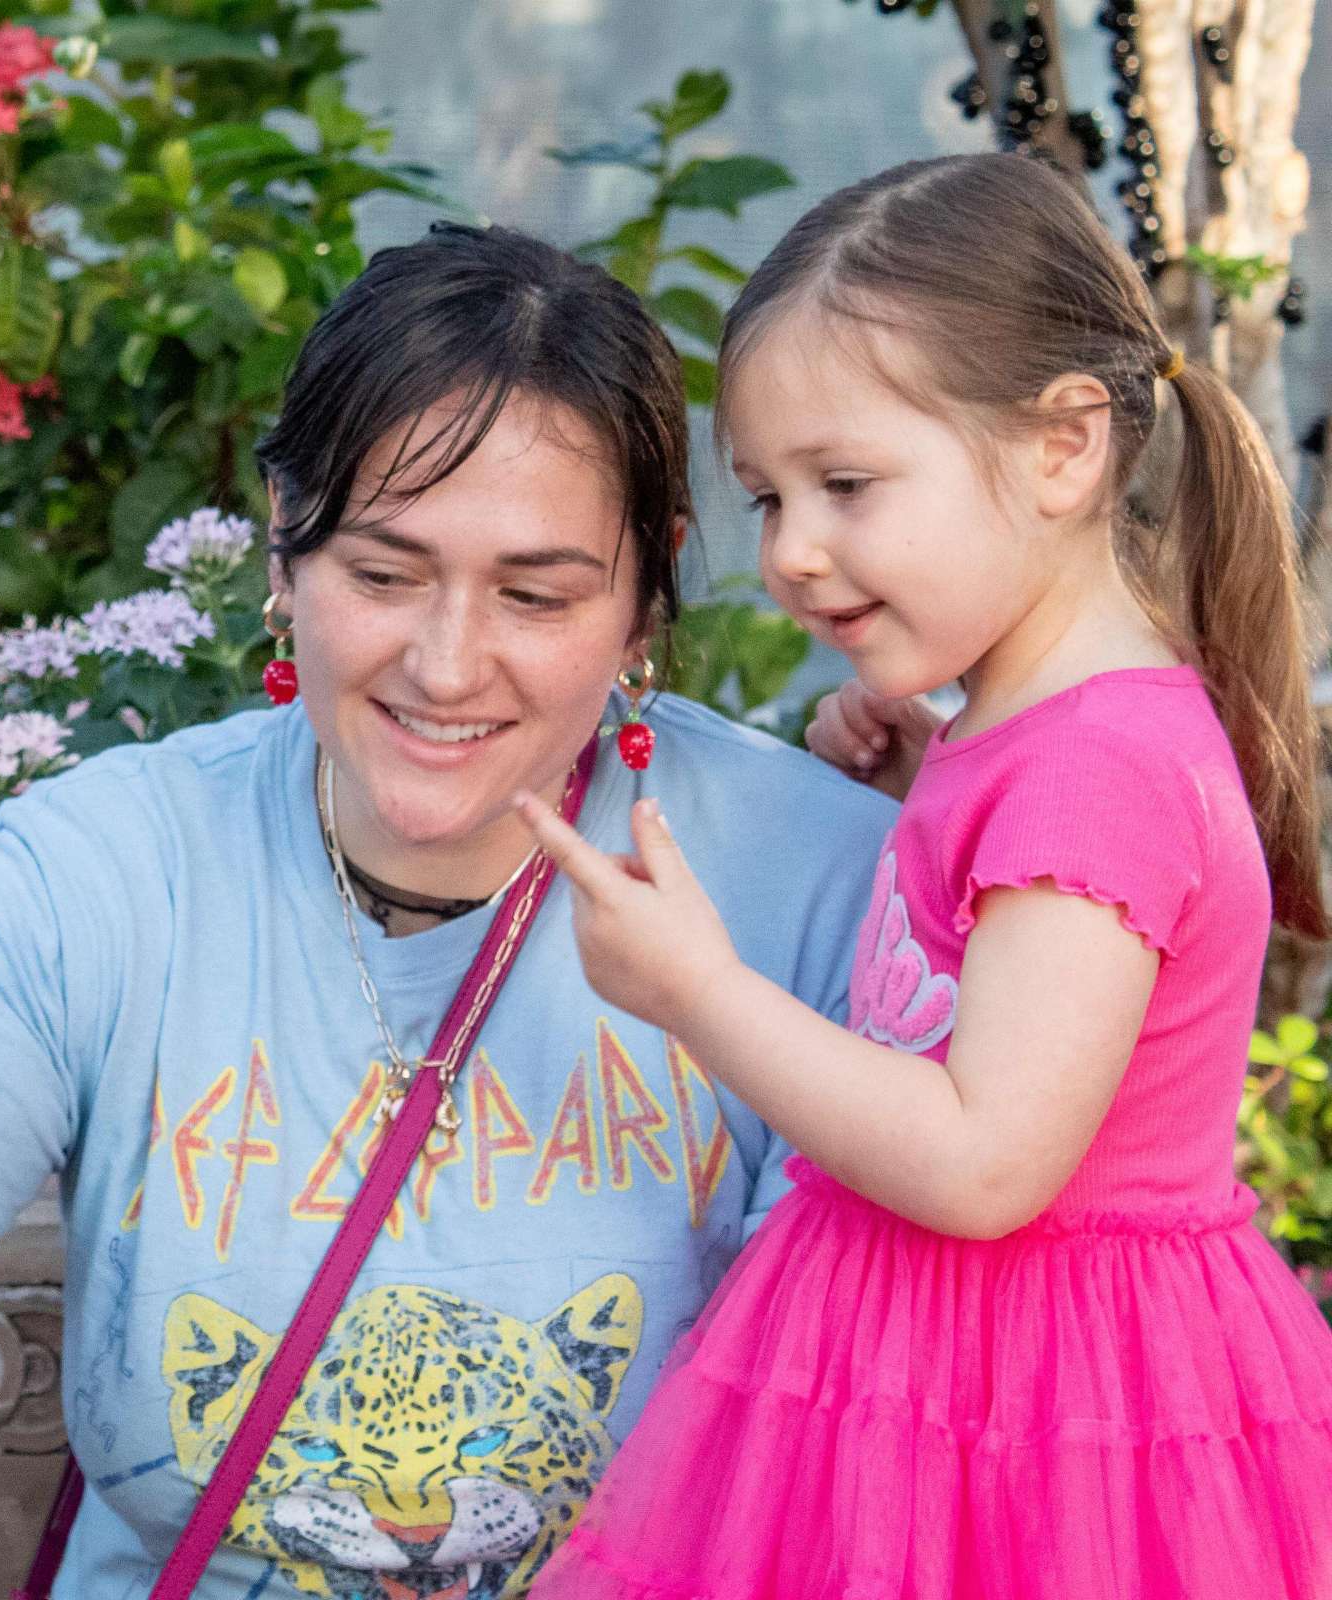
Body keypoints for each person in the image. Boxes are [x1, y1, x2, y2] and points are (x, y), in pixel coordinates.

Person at [0, 222, 894, 1599]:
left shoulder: (826, 882)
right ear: (283, 552)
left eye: (538, 593)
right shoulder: (104, 865)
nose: (449, 666)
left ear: (648, 592)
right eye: (383, 575)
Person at [520, 154, 1332, 1600]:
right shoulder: (1034, 736)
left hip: (1040, 1419)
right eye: (769, 499)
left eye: (846, 484)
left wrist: (696, 992)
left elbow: (981, 1164)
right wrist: (928, 792)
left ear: (1064, 449)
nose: (793, 553)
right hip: (945, 1378)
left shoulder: (1092, 771)